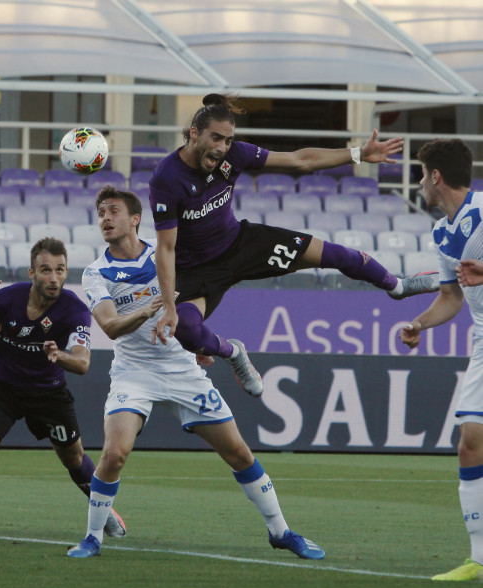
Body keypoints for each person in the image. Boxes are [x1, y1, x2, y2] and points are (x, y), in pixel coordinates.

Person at [66, 185, 324, 559]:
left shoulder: (168, 257)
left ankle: (281, 531)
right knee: (114, 453)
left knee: (238, 453)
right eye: (101, 212)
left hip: (181, 368)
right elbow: (109, 326)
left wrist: (196, 343)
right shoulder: (96, 272)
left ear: (135, 218)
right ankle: (92, 537)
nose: (105, 218)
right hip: (134, 372)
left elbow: (194, 307)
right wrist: (150, 308)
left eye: (113, 211)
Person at [150, 93, 439, 398]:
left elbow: (299, 160)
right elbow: (166, 248)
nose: (222, 147)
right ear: (194, 133)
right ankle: (234, 353)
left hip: (242, 245)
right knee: (184, 330)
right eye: (216, 138)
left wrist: (358, 154)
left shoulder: (234, 155)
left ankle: (398, 286)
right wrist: (169, 306)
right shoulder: (167, 178)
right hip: (197, 270)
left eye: (228, 140)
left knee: (337, 255)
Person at [0, 237, 126, 539]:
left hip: (48, 391)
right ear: (32, 273)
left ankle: (102, 509)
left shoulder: (75, 309)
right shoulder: (7, 298)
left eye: (60, 270)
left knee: (74, 458)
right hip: (1, 388)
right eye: (46, 270)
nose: (53, 278)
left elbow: (82, 363)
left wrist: (59, 355)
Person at [398, 138, 483, 581]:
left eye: (420, 172)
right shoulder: (441, 231)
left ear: (435, 176)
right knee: (471, 441)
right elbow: (451, 297)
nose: (418, 182)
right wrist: (420, 323)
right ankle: (479, 559)